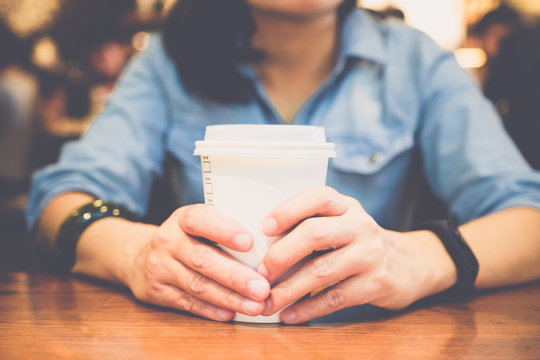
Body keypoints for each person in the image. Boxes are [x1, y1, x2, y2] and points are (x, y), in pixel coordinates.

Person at [27, 0, 540, 324]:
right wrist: (136, 254)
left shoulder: (416, 61)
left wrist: (417, 258)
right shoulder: (167, 62)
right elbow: (56, 205)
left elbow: (529, 220)